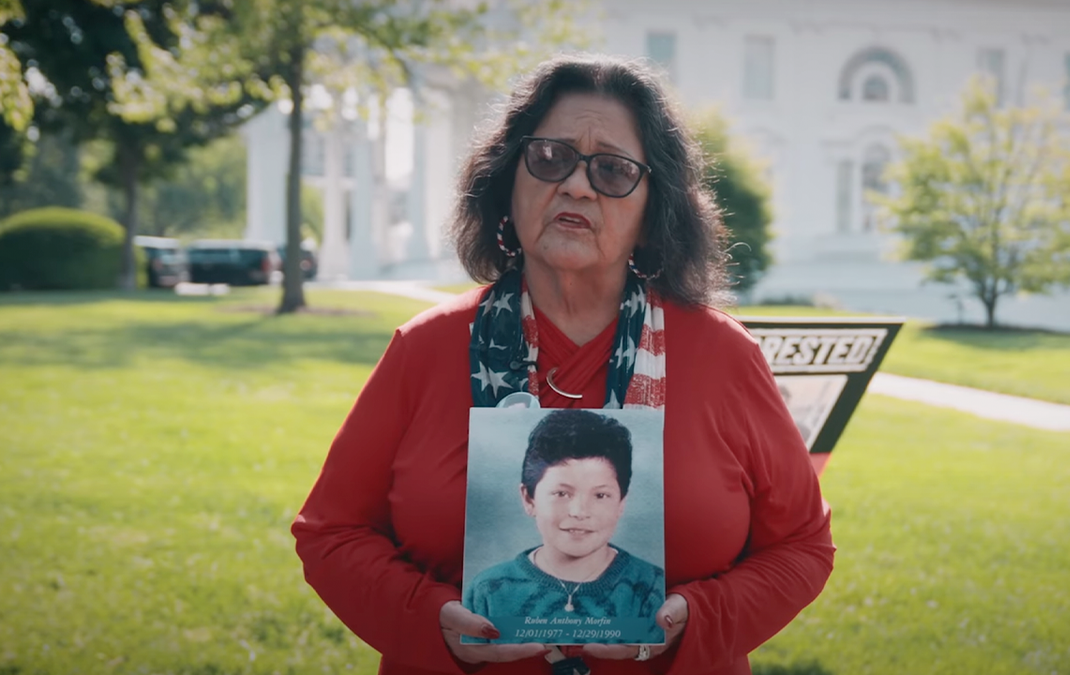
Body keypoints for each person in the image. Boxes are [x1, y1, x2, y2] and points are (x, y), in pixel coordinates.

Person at [292, 54, 835, 675]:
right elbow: (330, 533)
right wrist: (424, 615)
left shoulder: (724, 357)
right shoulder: (425, 348)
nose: (576, 186)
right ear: (508, 180)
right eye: (550, 159)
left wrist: (699, 615)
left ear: (653, 207)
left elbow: (802, 547)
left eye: (612, 170)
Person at [462, 409, 666, 644]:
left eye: (600, 495)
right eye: (561, 493)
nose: (579, 512)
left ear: (621, 503)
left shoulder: (651, 588)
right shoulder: (488, 590)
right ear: (529, 499)